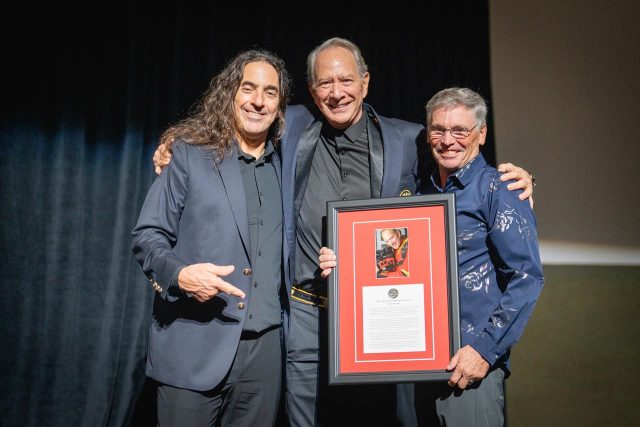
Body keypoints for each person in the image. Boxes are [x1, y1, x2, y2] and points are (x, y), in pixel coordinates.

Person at [153, 38, 535, 426]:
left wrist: (514, 180)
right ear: (312, 91)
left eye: (347, 81)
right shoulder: (292, 125)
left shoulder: (407, 139)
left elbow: (457, 152)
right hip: (304, 316)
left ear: (365, 83)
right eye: (324, 84)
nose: (337, 93)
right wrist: (176, 139)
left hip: (380, 318)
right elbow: (239, 115)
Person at [320, 87, 544, 427]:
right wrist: (341, 261)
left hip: (468, 369)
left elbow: (526, 277)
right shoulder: (419, 194)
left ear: (481, 134)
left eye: (460, 130)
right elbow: (391, 266)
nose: (447, 140)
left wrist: (484, 351)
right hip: (417, 368)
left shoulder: (499, 189)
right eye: (438, 130)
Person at [131, 49, 291, 426]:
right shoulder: (188, 155)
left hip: (264, 358)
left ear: (281, 104)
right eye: (248, 88)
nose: (257, 100)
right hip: (194, 344)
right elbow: (148, 235)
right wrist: (179, 275)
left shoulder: (287, 163)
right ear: (230, 93)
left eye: (270, 92)